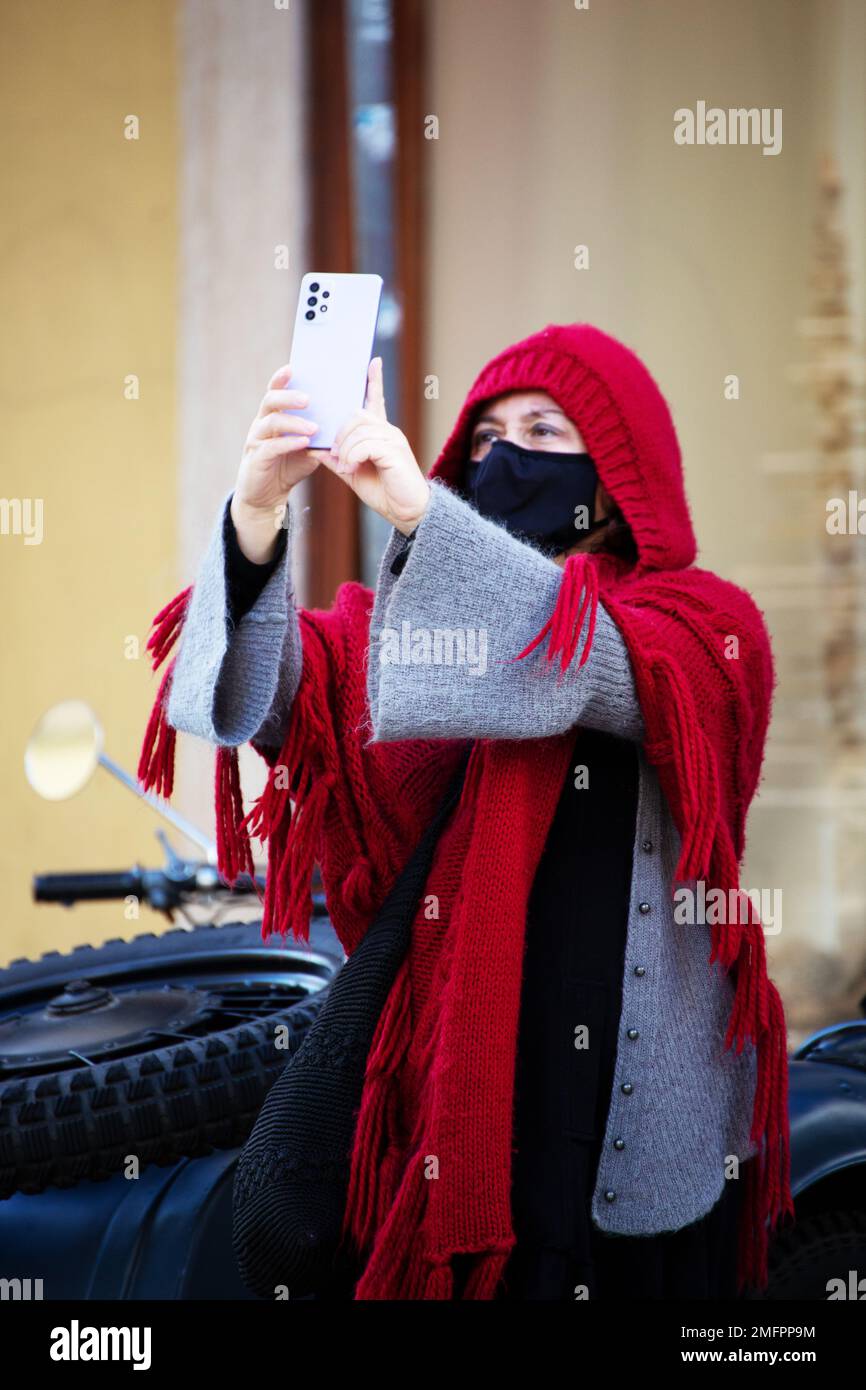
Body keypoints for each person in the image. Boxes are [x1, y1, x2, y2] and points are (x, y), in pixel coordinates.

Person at [139, 322, 793, 1301]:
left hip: (633, 1118)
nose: (505, 456)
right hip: (465, 1090)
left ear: (621, 473)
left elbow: (578, 663)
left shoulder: (699, 627)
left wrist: (417, 515)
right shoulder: (404, 637)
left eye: (543, 430)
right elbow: (246, 696)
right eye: (483, 438)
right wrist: (257, 507)